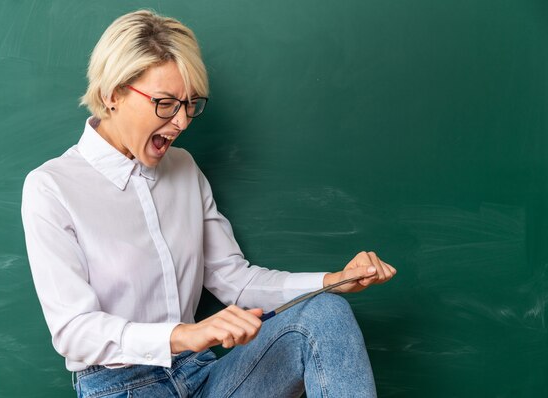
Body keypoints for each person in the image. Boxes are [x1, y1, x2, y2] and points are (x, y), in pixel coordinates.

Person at [21, 9, 396, 398]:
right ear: (112, 94)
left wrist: (330, 282)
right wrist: (185, 335)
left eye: (189, 104)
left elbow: (236, 280)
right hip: (120, 387)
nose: (182, 122)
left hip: (203, 377)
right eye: (165, 103)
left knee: (325, 314)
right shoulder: (52, 187)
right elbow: (73, 332)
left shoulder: (183, 167)